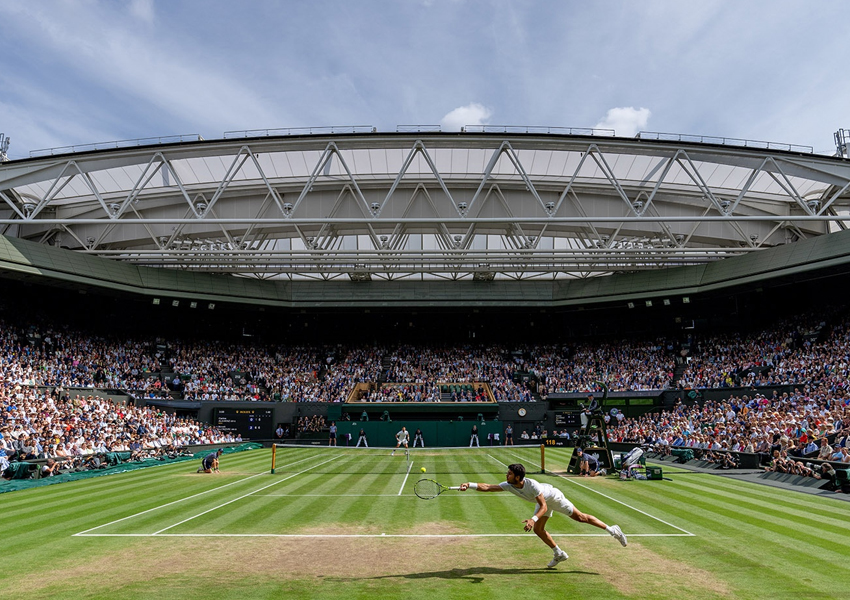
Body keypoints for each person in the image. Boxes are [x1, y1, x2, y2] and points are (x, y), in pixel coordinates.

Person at [459, 463, 627, 567]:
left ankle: (613, 530)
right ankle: (559, 553)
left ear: (517, 477)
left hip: (554, 498)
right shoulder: (509, 485)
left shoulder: (532, 485)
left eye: (509, 473)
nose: (506, 475)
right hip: (543, 504)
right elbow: (488, 487)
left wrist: (533, 519)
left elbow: (544, 506)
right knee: (538, 530)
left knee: (580, 518)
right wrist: (470, 484)